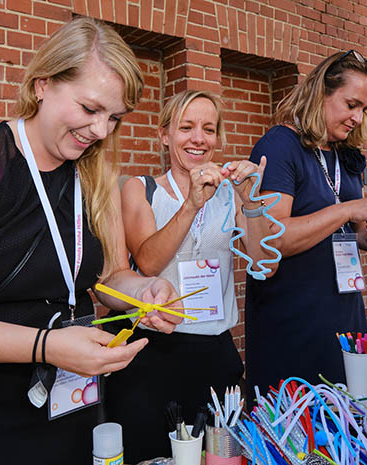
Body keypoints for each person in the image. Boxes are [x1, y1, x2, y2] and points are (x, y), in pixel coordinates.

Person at [0, 17, 182, 464]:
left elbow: (111, 277)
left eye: (114, 118)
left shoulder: (95, 170)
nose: (101, 131)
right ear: (43, 84)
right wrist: (45, 345)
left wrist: (145, 291)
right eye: (89, 109)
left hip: (63, 410)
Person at [105, 90, 277, 461]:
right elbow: (148, 262)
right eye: (186, 127)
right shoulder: (142, 189)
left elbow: (266, 263)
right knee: (149, 453)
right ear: (164, 134)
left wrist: (251, 202)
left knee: (220, 456)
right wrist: (192, 204)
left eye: (209, 129)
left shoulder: (231, 195)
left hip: (215, 351)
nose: (198, 138)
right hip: (152, 351)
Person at [244, 50, 367, 403]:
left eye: (364, 109)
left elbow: (346, 229)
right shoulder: (279, 145)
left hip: (345, 316)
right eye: (351, 104)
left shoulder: (345, 154)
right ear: (321, 92)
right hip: (293, 322)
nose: (357, 118)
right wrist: (350, 208)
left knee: (344, 427)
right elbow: (274, 238)